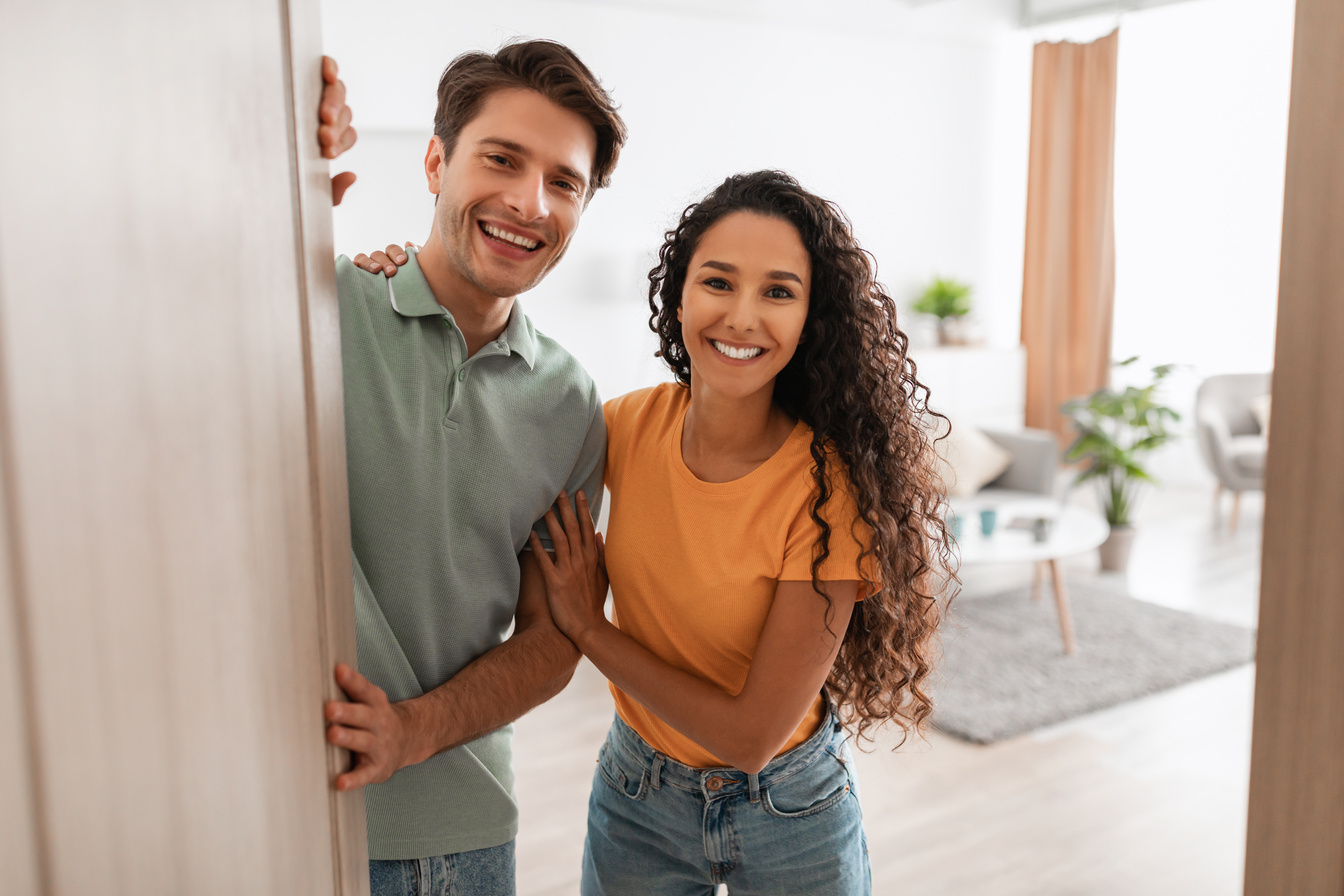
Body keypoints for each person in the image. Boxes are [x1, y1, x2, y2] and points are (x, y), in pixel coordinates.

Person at [526, 170, 952, 894]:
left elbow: (750, 738)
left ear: (810, 319)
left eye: (778, 292)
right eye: (718, 283)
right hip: (637, 798)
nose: (743, 317)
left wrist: (590, 631)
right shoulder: (624, 428)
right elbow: (500, 426)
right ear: (680, 294)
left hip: (788, 810)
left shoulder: (826, 493)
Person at [315, 41, 628, 895]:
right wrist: (293, 167)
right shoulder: (319, 310)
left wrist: (411, 731)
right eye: (501, 159)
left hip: (469, 836)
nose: (530, 203)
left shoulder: (571, 403)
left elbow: (553, 639)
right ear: (434, 163)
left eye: (564, 182)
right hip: (300, 814)